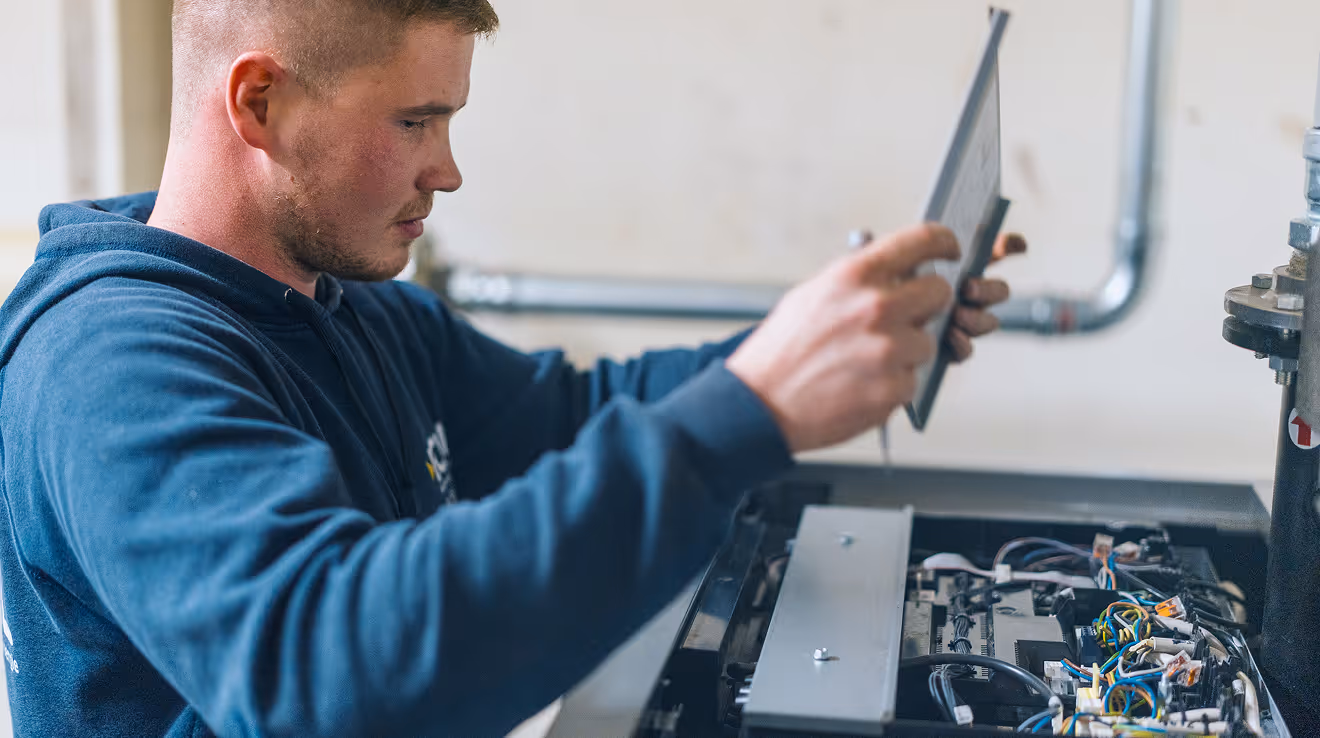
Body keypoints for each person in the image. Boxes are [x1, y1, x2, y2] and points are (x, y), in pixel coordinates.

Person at [0, 1, 1024, 736]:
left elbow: (572, 415)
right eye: (414, 121)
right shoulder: (111, 370)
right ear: (260, 102)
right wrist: (748, 412)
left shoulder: (351, 311)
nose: (447, 170)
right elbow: (330, 672)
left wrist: (826, 344)